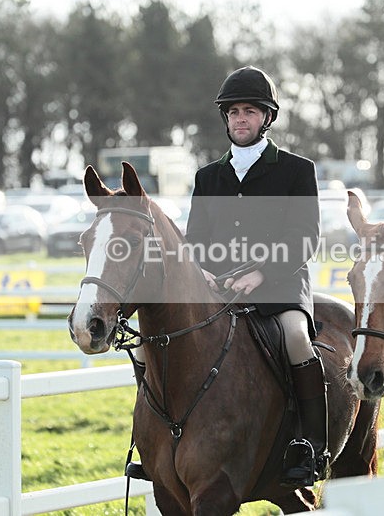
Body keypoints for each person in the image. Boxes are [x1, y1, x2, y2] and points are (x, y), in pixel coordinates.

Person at [126, 66, 326, 487]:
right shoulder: (209, 176)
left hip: (280, 286)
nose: (240, 119)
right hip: (217, 290)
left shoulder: (296, 170)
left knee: (296, 338)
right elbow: (195, 240)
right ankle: (150, 444)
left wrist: (260, 272)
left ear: (266, 118)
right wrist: (202, 272)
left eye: (249, 111)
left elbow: (304, 236)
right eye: (234, 112)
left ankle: (312, 447)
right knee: (148, 347)